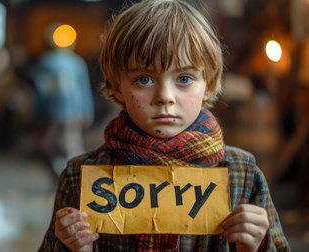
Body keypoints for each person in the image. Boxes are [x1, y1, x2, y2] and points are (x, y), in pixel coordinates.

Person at [39, 0, 290, 251]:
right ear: (117, 86)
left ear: (210, 85)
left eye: (184, 78)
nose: (165, 96)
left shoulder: (242, 174)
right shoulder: (80, 176)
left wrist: (257, 246)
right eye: (144, 79)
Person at [31, 23, 94, 177]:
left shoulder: (46, 62)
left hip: (55, 112)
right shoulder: (76, 62)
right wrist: (87, 112)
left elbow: (41, 92)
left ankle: (69, 176)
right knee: (69, 144)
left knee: (55, 145)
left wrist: (38, 115)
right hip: (72, 112)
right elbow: (84, 89)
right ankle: (71, 175)